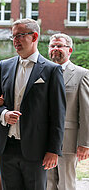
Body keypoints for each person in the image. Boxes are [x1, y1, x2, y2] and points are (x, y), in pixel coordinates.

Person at [0, 18, 66, 190]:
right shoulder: (4, 66)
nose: (15, 41)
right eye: (13, 37)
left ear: (34, 36)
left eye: (20, 36)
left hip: (36, 148)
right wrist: (3, 114)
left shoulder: (51, 70)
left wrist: (53, 150)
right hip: (6, 146)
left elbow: (58, 114)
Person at [47, 33, 89, 190]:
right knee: (48, 183)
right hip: (44, 138)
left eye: (60, 46)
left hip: (69, 140)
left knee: (66, 184)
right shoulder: (43, 72)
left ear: (69, 50)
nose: (55, 49)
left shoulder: (81, 74)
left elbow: (86, 112)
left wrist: (85, 143)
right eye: (53, 46)